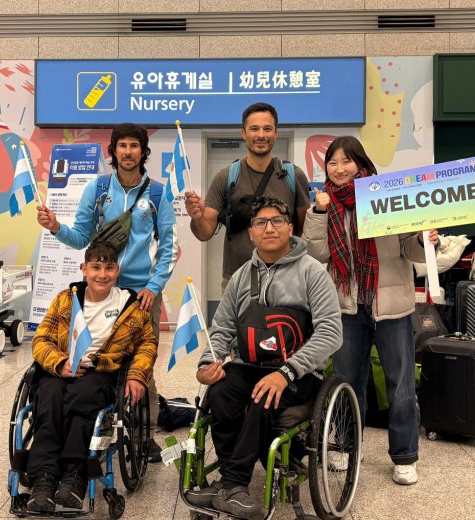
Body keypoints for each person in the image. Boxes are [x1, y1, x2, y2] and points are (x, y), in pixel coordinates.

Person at [186, 196, 342, 520]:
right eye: (260, 222)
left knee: (264, 395)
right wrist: (206, 364)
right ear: (251, 233)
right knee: (220, 392)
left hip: (299, 373)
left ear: (290, 228)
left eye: (277, 221)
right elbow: (222, 328)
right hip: (250, 364)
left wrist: (286, 372)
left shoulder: (313, 273)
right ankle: (232, 483)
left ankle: (232, 484)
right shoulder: (241, 277)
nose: (269, 228)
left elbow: (330, 333)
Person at [302, 135, 438, 486]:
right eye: (332, 163)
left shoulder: (387, 197)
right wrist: (318, 213)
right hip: (346, 306)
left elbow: (410, 250)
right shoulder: (323, 203)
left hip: (390, 307)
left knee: (401, 384)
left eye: (346, 161)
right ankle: (348, 446)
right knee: (347, 381)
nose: (339, 169)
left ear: (361, 164)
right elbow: (316, 255)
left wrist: (423, 240)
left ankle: (405, 456)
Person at [36, 123, 178, 429]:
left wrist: (153, 287)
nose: (128, 152)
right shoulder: (98, 189)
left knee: (141, 363)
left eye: (134, 146)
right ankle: (94, 421)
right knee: (98, 357)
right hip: (101, 290)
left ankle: (144, 431)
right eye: (122, 145)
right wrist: (55, 227)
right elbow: (80, 238)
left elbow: (170, 247)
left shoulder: (157, 193)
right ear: (113, 150)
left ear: (143, 151)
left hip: (141, 294)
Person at [25, 242, 157, 512]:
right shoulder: (65, 299)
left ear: (117, 270)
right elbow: (41, 340)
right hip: (62, 366)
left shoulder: (131, 305)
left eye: (109, 267)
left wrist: (137, 376)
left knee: (82, 398)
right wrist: (59, 363)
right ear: (84, 269)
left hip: (102, 371)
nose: (102, 274)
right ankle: (44, 478)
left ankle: (74, 474)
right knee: (49, 398)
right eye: (96, 267)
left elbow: (147, 344)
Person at [185, 102, 311, 291]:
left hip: (286, 279)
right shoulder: (226, 177)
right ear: (243, 133)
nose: (261, 135)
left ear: (275, 133)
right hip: (237, 280)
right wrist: (197, 217)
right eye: (254, 129)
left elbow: (303, 231)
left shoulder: (294, 176)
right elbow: (204, 233)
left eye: (267, 129)